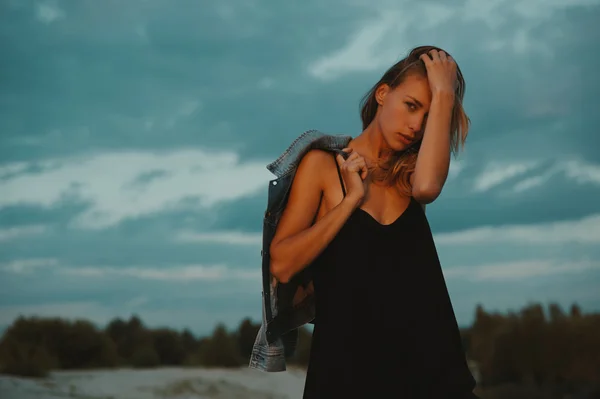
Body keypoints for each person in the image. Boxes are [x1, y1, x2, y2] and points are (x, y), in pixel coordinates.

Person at [268, 45, 478, 398]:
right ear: (383, 93)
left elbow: (428, 188)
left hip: (433, 371)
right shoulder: (323, 164)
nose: (416, 126)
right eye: (411, 106)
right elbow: (283, 264)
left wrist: (445, 92)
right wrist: (350, 202)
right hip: (348, 374)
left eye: (429, 116)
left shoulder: (411, 177)